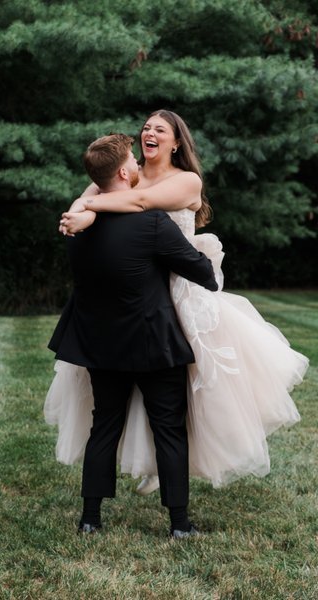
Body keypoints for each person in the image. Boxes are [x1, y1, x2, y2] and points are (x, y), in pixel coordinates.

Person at [45, 110, 309, 496]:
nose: (149, 133)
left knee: (189, 393)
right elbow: (88, 195)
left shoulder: (185, 180)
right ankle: (153, 467)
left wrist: (88, 211)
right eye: (146, 127)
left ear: (176, 143)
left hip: (181, 289)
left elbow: (135, 202)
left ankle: (175, 467)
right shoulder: (125, 170)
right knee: (126, 394)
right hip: (135, 294)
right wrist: (78, 214)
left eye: (160, 129)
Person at [48, 133, 219, 537]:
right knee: (169, 429)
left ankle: (90, 519)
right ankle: (179, 524)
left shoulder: (77, 227)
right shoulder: (152, 222)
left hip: (100, 344)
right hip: (152, 343)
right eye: (134, 162)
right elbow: (202, 274)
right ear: (125, 172)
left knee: (104, 424)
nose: (140, 166)